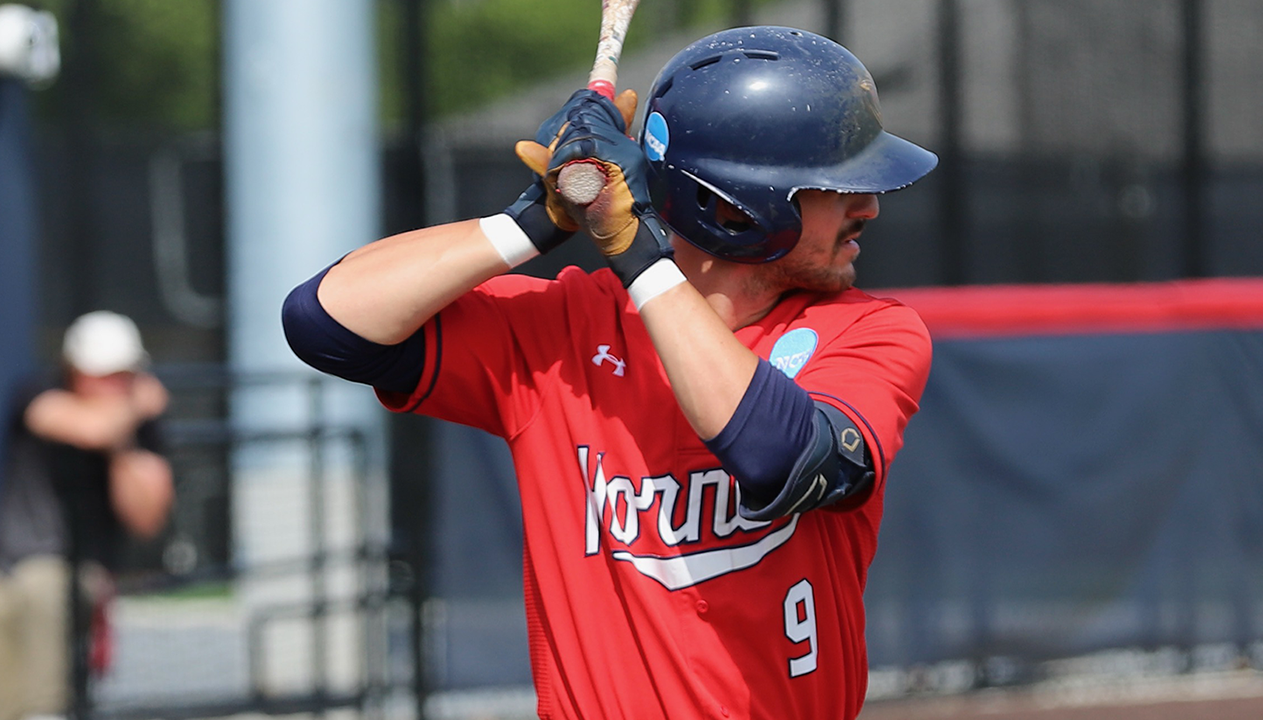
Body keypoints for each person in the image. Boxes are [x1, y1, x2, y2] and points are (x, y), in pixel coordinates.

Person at [285, 26, 936, 719]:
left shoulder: (869, 330)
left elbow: (783, 460)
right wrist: (532, 220)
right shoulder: (561, 331)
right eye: (835, 188)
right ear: (736, 207)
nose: (867, 207)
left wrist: (639, 254)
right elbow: (325, 323)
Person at [0, 310, 174, 720]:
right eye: (98, 373)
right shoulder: (39, 391)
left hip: (79, 571)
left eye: (119, 375)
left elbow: (147, 516)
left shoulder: (139, 429)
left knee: (45, 589)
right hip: (9, 564)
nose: (106, 385)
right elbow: (84, 427)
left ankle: (46, 711)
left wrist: (122, 447)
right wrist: (131, 406)